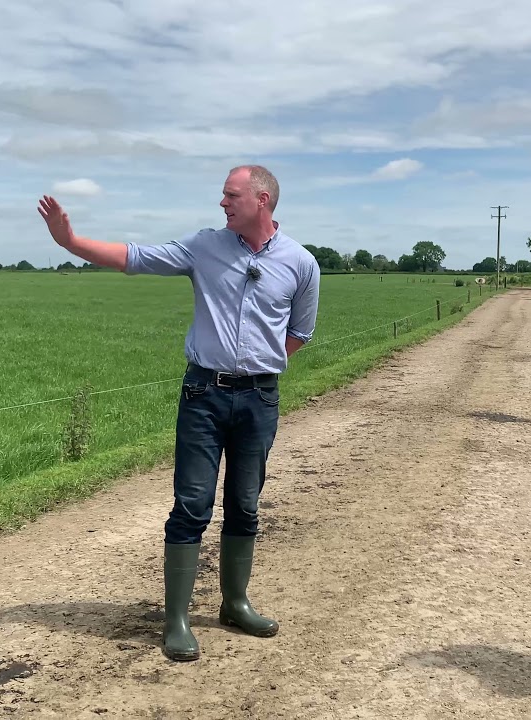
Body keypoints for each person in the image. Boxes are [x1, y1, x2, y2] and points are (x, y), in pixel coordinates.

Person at [37, 164, 321, 662]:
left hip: (259, 399)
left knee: (246, 503)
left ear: (262, 200)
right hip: (203, 396)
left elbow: (299, 333)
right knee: (191, 504)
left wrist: (254, 367)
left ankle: (235, 603)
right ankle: (178, 621)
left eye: (231, 195)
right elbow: (135, 258)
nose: (222, 203)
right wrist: (71, 242)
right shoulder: (204, 247)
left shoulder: (301, 263)